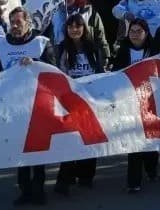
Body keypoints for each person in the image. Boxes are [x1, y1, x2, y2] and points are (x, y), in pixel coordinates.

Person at [0, 7, 55, 205]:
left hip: (37, 104)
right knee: (20, 148)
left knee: (38, 148)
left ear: (28, 23)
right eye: (12, 23)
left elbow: (54, 71)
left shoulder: (41, 43)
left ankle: (39, 189)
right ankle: (25, 190)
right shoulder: (1, 46)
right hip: (14, 105)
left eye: (18, 22)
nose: (15, 26)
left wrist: (36, 63)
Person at [54, 14, 104, 195]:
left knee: (89, 138)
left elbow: (100, 71)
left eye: (78, 26)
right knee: (69, 140)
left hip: (90, 100)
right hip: (68, 100)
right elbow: (55, 71)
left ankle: (86, 176)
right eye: (70, 26)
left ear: (84, 28)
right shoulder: (61, 48)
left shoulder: (94, 48)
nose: (74, 29)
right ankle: (65, 178)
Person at [111, 19, 160, 193]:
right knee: (135, 140)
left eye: (139, 31)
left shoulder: (155, 50)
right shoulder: (123, 50)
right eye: (132, 31)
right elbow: (116, 73)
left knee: (150, 139)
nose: (134, 34)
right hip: (130, 101)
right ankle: (134, 181)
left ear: (146, 33)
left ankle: (151, 168)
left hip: (150, 100)